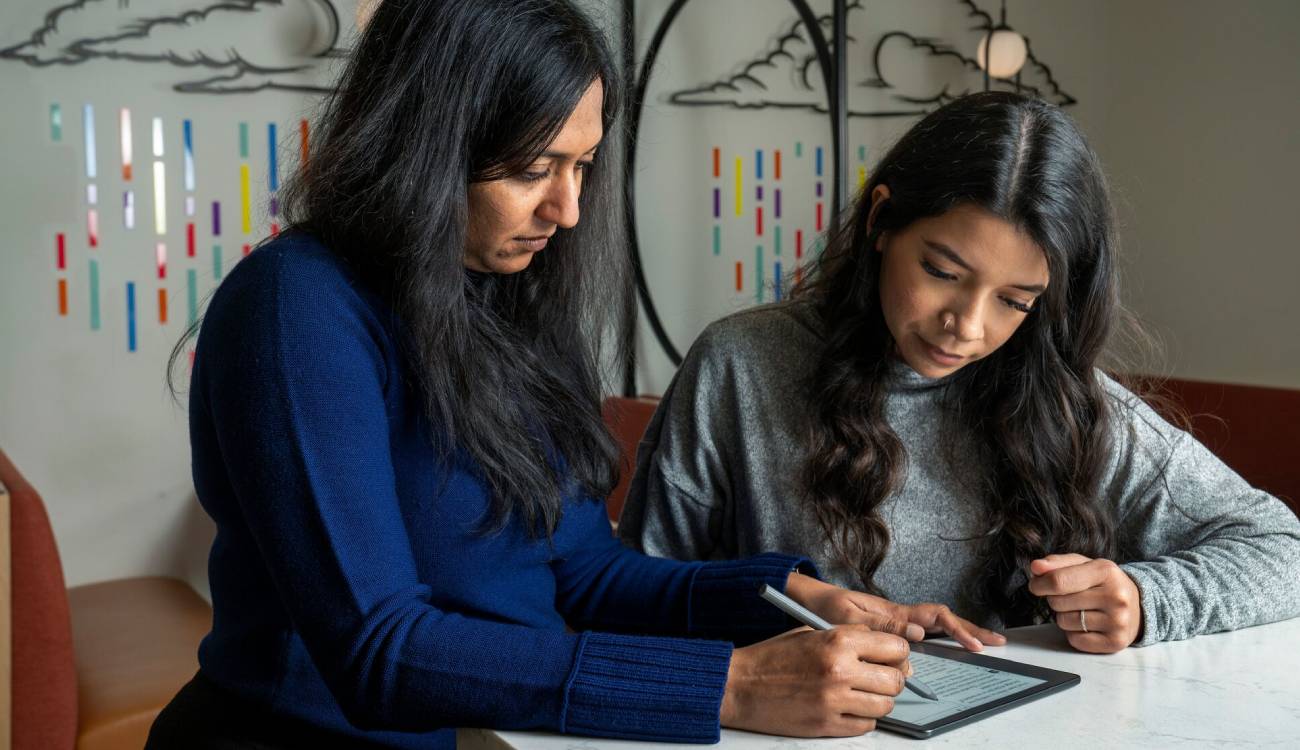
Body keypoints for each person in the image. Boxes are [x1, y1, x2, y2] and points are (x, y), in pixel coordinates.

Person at [143, 1, 974, 747]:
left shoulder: (507, 299)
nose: (567, 210)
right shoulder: (298, 305)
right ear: (426, 144)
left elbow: (581, 573)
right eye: (533, 169)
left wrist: (791, 596)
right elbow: (379, 650)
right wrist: (733, 683)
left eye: (582, 166)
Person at [619, 91, 1300, 656]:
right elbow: (633, 592)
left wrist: (1147, 601)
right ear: (882, 222)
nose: (967, 326)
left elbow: (1281, 549)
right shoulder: (741, 365)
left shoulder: (1070, 404)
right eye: (942, 273)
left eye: (1014, 301)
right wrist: (782, 620)